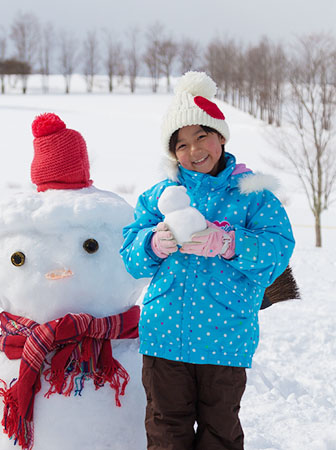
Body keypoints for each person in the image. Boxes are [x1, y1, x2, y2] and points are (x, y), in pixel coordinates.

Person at [120, 71, 295, 450]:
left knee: (220, 433)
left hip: (225, 338)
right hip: (164, 337)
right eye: (181, 144)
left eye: (202, 136)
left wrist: (230, 243)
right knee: (167, 431)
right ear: (173, 153)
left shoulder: (254, 195)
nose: (194, 150)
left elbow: (278, 251)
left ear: (221, 137)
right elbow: (131, 259)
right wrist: (153, 243)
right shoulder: (161, 196)